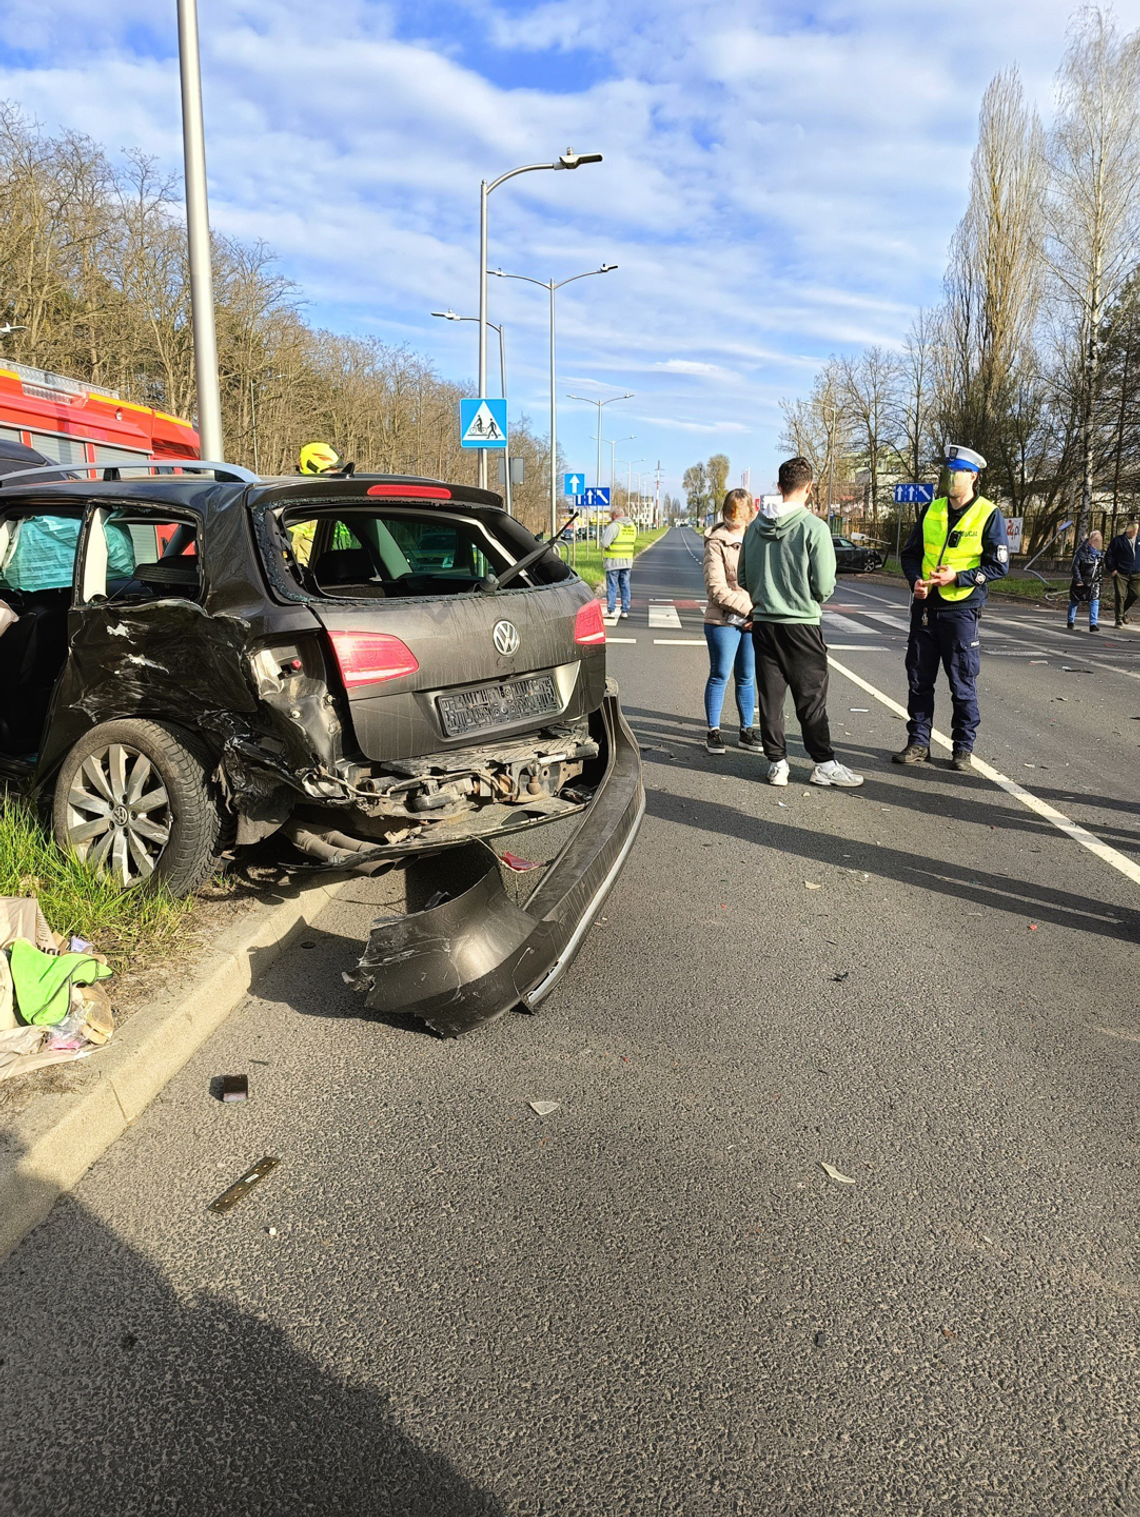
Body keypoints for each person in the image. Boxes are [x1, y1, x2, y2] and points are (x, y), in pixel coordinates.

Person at [737, 456, 863, 788]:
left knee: (770, 698)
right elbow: (823, 586)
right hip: (802, 625)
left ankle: (777, 764)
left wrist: (768, 596)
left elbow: (743, 578)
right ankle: (823, 763)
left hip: (764, 624)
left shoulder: (753, 530)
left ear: (779, 487)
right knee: (811, 698)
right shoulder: (814, 528)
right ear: (808, 488)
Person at [894, 443, 1009, 772]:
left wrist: (958, 577)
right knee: (919, 679)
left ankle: (962, 748)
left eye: (955, 471)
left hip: (962, 611)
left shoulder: (989, 514)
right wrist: (915, 579)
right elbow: (910, 554)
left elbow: (997, 567)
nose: (948, 476)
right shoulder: (931, 510)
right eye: (946, 470)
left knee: (962, 682)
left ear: (972, 476)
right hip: (926, 607)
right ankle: (918, 742)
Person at [702, 488, 760, 755]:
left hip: (753, 618)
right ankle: (713, 731)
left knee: (747, 676)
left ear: (749, 514)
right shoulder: (716, 542)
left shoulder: (758, 538)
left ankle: (746, 731)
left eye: (740, 513)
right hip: (723, 620)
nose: (736, 519)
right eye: (732, 513)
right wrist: (752, 610)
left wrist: (761, 612)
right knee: (721, 674)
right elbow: (716, 588)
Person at [601, 504, 637, 619]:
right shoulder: (632, 526)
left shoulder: (614, 526)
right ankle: (624, 610)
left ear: (615, 516)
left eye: (611, 516)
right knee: (625, 585)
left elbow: (605, 543)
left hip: (613, 561)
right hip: (627, 561)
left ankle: (611, 611)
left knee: (612, 586)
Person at [1105, 519, 1140, 627]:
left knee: (1135, 594)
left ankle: (1122, 611)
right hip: (1121, 572)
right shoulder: (1118, 540)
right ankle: (1118, 619)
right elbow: (1109, 556)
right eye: (1133, 529)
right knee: (1120, 595)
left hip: (1136, 573)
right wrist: (1112, 569)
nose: (1134, 532)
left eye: (1137, 530)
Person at [1067, 530, 1104, 632]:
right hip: (1081, 579)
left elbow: (1100, 568)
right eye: (1096, 540)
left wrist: (1099, 580)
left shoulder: (1100, 553)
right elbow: (1075, 566)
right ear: (1091, 539)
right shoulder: (1081, 551)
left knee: (1095, 600)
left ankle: (1093, 624)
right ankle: (1070, 621)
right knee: (1074, 601)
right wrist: (1078, 579)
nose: (1098, 542)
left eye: (1100, 540)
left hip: (1094, 581)